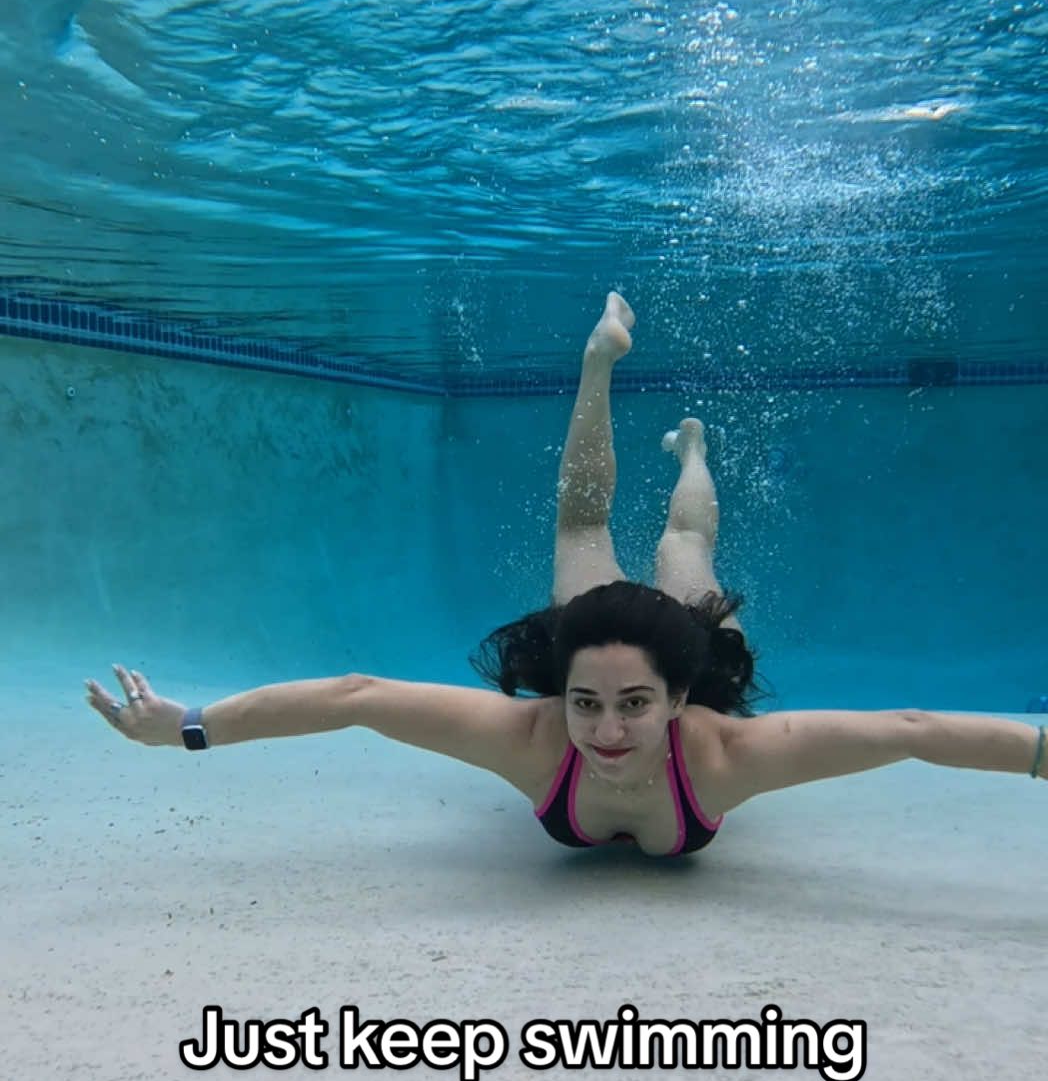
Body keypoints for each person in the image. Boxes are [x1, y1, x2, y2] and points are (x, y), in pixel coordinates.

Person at [85, 293, 1047, 858]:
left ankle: (693, 454)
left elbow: (915, 732)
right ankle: (599, 367)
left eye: (632, 704)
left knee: (687, 554)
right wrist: (190, 730)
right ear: (560, 686)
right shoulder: (537, 734)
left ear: (675, 700)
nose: (608, 733)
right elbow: (357, 697)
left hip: (687, 639)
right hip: (607, 633)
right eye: (586, 704)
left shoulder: (720, 751)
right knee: (581, 525)